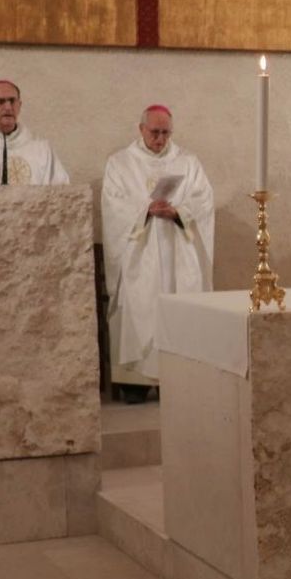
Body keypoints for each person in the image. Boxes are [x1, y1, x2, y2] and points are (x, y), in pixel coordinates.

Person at [101, 104, 214, 401]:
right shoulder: (120, 163)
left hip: (180, 253)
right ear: (141, 129)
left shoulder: (188, 162)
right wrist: (145, 209)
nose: (160, 139)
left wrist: (179, 211)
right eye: (154, 132)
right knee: (139, 307)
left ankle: (177, 380)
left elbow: (204, 201)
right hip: (140, 254)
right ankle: (135, 384)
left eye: (166, 133)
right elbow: (113, 205)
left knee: (181, 309)